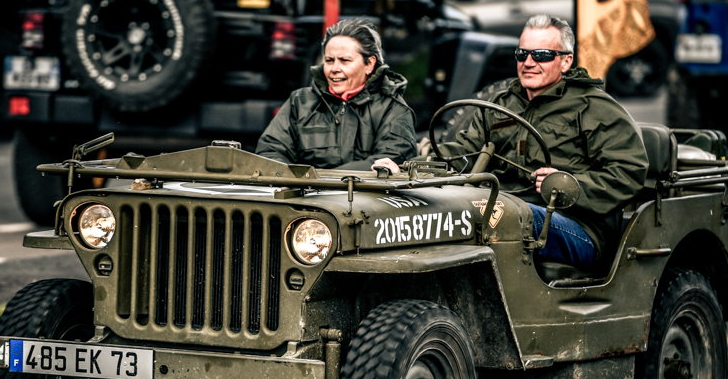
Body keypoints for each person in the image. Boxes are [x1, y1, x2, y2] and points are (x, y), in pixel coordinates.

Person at [436, 14, 649, 270]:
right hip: (503, 206)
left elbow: (629, 171)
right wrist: (408, 169)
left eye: (542, 55)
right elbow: (460, 153)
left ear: (565, 61)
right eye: (522, 54)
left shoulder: (593, 107)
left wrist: (568, 185)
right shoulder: (501, 105)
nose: (529, 63)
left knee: (508, 216)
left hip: (578, 226)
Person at [256, 18, 417, 173]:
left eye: (345, 60)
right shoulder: (299, 102)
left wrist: (320, 181)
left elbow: (392, 159)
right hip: (304, 199)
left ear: (369, 64)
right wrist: (301, 184)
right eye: (329, 60)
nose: (334, 68)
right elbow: (270, 152)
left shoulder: (393, 108)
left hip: (366, 198)